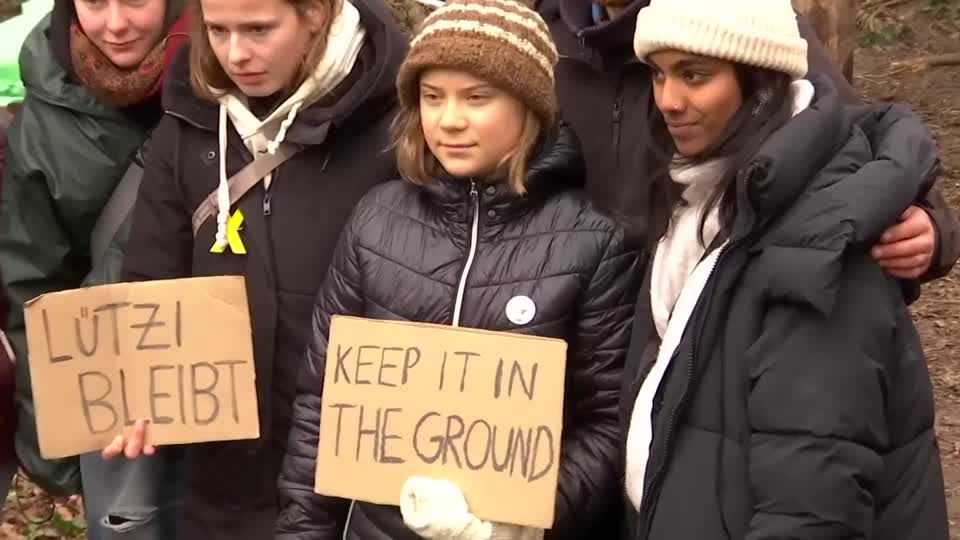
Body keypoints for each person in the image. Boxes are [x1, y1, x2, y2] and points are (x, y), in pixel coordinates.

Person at [274, 0, 641, 538]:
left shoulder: (593, 244)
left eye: (477, 98)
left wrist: (510, 521)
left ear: (529, 106)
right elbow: (322, 401)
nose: (449, 120)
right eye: (431, 97)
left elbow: (606, 424)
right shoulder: (376, 219)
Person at [620, 1, 949, 538]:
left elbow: (813, 499)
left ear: (762, 84)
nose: (668, 101)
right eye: (658, 75)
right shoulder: (703, 205)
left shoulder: (820, 239)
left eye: (695, 75)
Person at [101, 0, 412, 537]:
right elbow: (152, 273)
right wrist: (141, 387)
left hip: (350, 482)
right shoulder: (188, 116)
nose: (235, 54)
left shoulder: (400, 120)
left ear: (316, 13)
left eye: (258, 30)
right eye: (217, 30)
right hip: (219, 479)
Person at [534, 0, 959, 287]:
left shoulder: (741, 20)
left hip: (705, 309)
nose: (669, 98)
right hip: (582, 322)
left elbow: (847, 127)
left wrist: (932, 225)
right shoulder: (536, 37)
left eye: (691, 75)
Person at [0, 0, 189, 535]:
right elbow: (33, 292)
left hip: (225, 404)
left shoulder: (237, 78)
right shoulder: (43, 119)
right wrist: (52, 459)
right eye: (95, 2)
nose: (115, 23)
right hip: (111, 411)